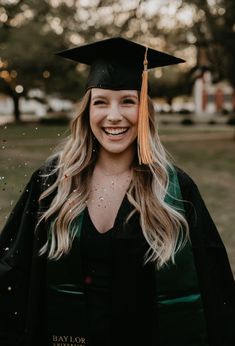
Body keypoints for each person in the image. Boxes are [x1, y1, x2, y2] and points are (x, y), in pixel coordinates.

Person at [0, 37, 234, 346]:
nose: (114, 116)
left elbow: (213, 288)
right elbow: (13, 275)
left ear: (145, 110)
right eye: (101, 102)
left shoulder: (175, 189)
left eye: (127, 101)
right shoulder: (52, 183)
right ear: (87, 111)